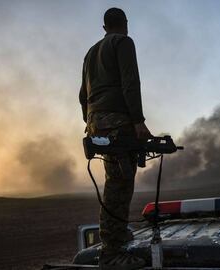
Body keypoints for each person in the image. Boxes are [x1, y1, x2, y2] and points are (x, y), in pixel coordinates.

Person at [79, 7, 151, 269]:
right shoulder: (123, 42)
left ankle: (116, 235)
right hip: (118, 121)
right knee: (120, 184)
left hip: (96, 121)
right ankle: (112, 253)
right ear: (125, 24)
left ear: (104, 27)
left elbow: (82, 96)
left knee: (114, 179)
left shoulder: (90, 53)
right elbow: (130, 82)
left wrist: (92, 122)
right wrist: (138, 120)